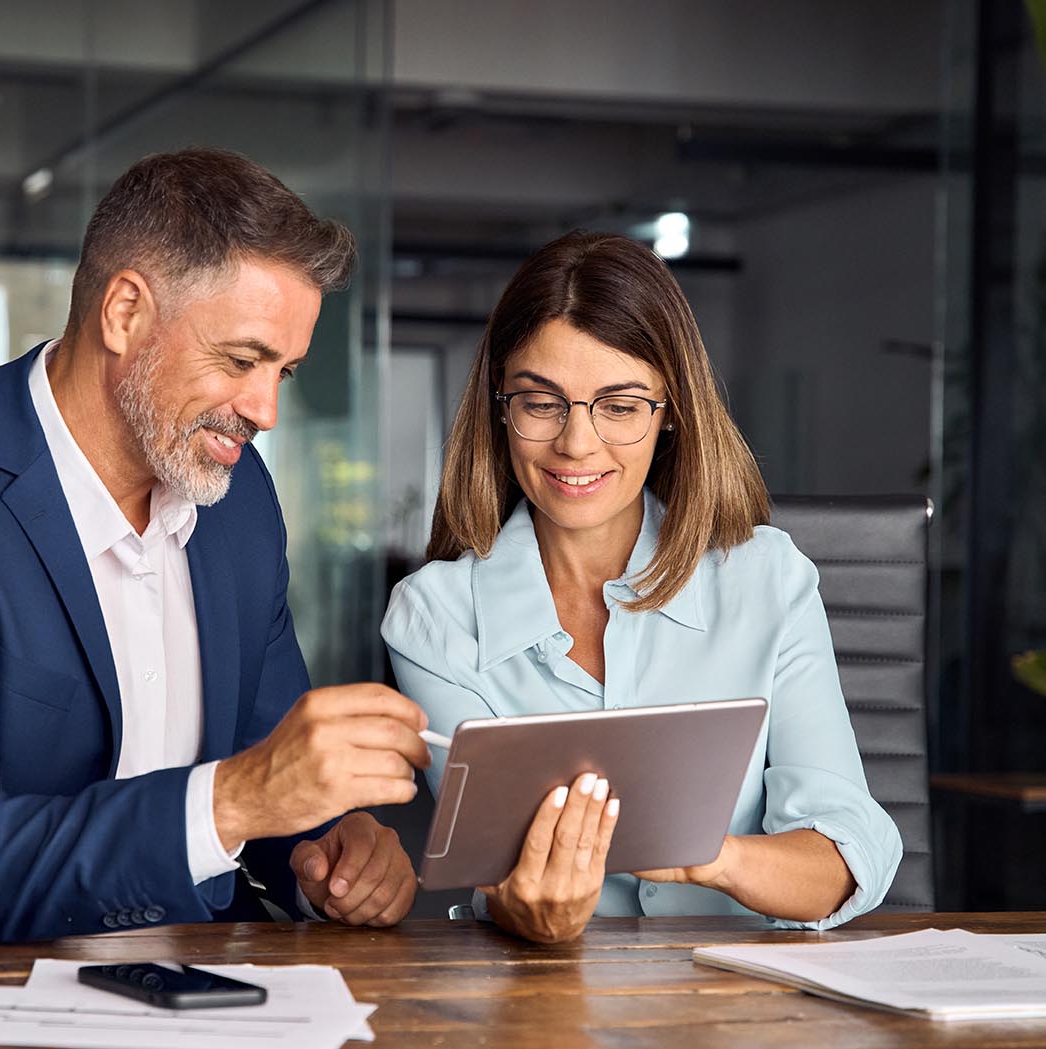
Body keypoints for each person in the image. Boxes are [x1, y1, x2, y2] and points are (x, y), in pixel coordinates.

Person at [0, 149, 430, 942]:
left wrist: (335, 849)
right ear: (123, 312)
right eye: (242, 359)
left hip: (194, 969)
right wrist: (235, 800)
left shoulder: (238, 497)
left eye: (283, 371)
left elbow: (268, 767)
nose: (265, 411)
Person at [381, 231, 902, 944]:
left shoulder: (768, 580)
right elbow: (497, 871)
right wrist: (530, 909)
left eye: (620, 406)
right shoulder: (433, 617)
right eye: (541, 402)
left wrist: (706, 855)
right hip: (543, 989)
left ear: (672, 410)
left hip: (739, 992)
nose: (577, 444)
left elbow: (845, 856)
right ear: (501, 405)